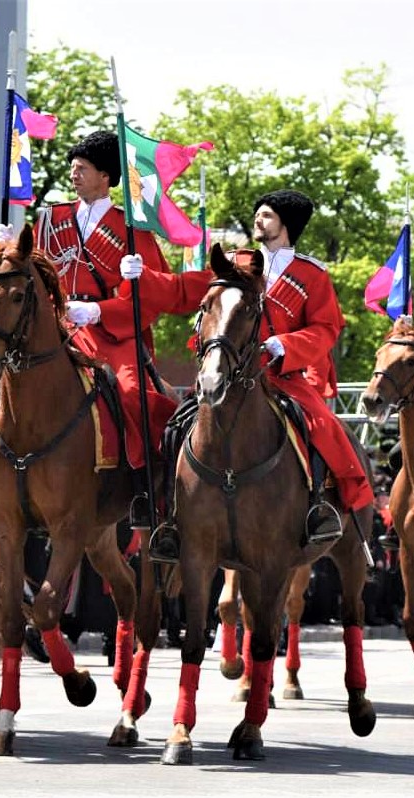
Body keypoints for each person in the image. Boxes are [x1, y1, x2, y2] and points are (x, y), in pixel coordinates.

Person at [0, 130, 208, 547]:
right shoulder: (51, 219)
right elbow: (27, 274)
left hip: (112, 334)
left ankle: (147, 493)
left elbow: (148, 302)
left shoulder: (132, 229)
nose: (74, 173)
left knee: (133, 395)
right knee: (0, 383)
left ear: (106, 176)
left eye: (83, 168)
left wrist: (101, 307)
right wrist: (6, 249)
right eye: (73, 166)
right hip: (56, 329)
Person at [152, 189, 373, 563]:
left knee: (324, 428)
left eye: (267, 215)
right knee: (176, 426)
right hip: (225, 371)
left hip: (281, 374)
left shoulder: (311, 274)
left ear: (286, 225)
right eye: (258, 214)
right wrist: (146, 277)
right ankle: (169, 515)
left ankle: (322, 508)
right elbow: (186, 291)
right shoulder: (235, 261)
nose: (258, 220)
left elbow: (325, 328)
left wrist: (285, 345)